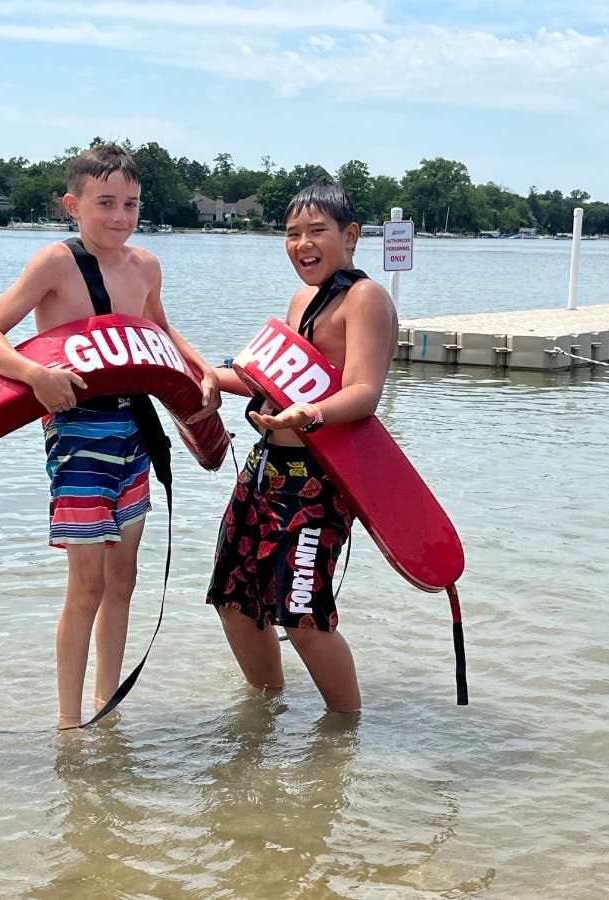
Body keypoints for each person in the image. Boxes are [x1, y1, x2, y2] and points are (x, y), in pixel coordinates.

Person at [0, 142, 220, 727]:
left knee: (122, 580)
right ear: (72, 205)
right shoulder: (54, 264)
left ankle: (107, 711)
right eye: (105, 202)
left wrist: (201, 370)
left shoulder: (146, 266)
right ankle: (68, 723)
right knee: (86, 586)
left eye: (130, 204)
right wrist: (35, 374)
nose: (119, 216)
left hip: (135, 430)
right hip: (77, 434)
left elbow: (160, 329)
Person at [207, 179, 397, 713]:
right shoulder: (301, 300)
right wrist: (208, 377)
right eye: (292, 234)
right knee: (233, 600)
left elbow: (364, 392)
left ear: (350, 235)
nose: (302, 244)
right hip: (263, 468)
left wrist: (309, 414)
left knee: (303, 617)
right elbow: (268, 380)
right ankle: (263, 714)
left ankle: (345, 732)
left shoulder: (366, 298)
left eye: (317, 231)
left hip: (319, 481)